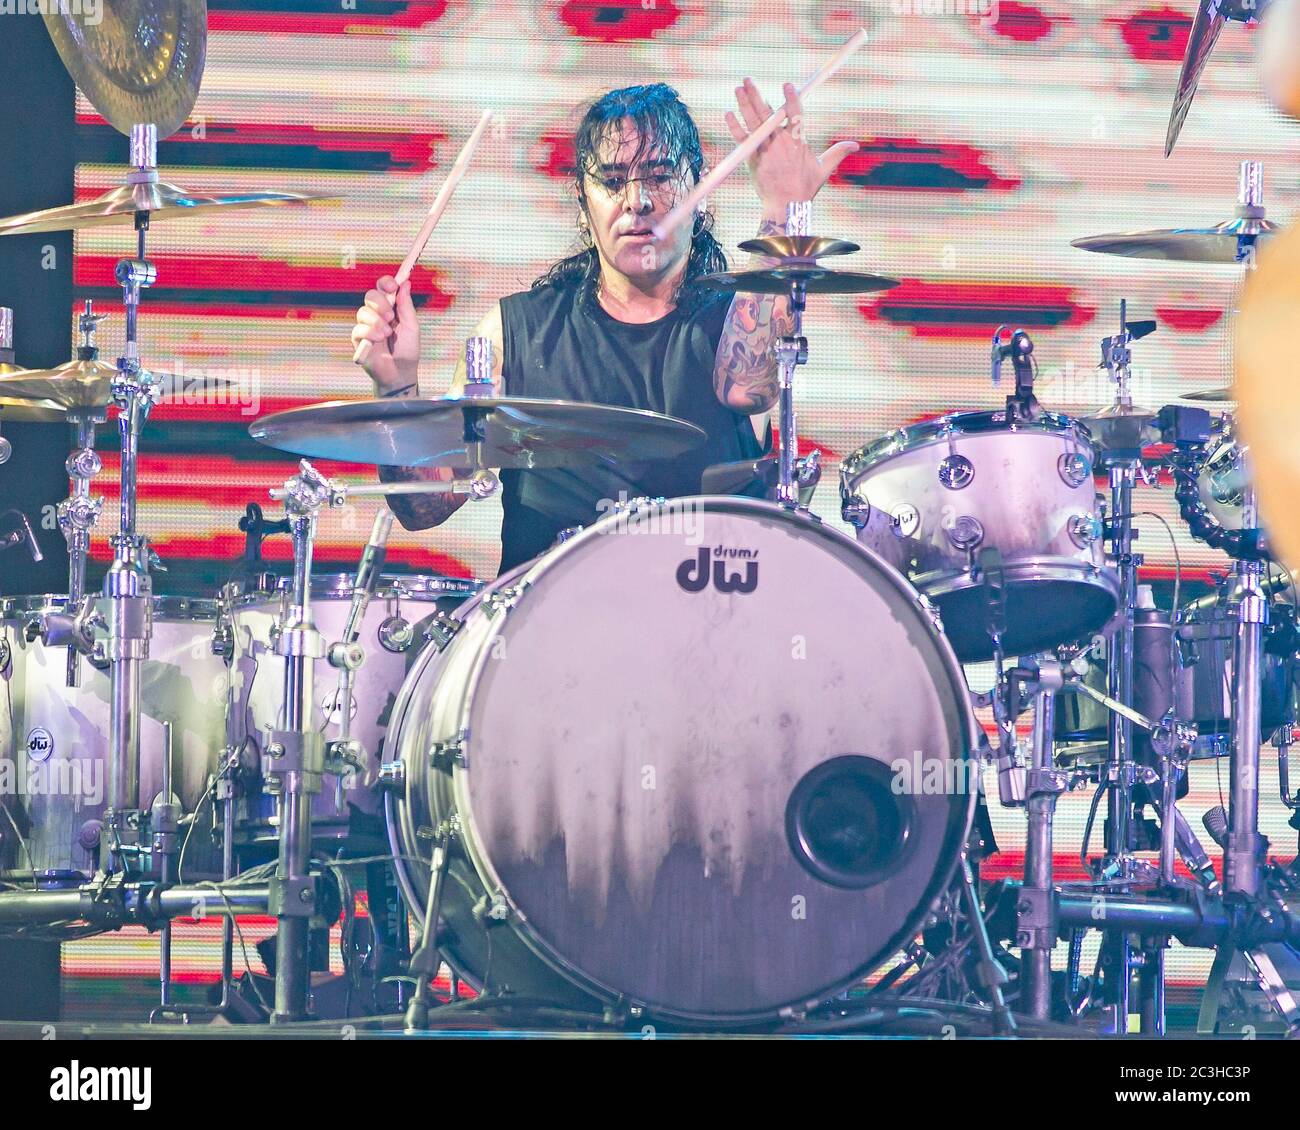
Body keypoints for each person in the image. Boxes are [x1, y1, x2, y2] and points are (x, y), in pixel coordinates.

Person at [351, 80, 857, 574]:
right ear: (583, 202)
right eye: (613, 182)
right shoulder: (512, 331)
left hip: (707, 626)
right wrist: (395, 388)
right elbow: (423, 508)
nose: (636, 201)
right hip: (545, 636)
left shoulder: (737, 318)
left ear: (700, 192)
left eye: (659, 177)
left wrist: (784, 208)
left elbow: (749, 386)